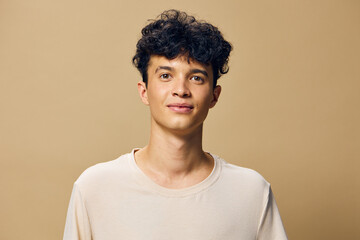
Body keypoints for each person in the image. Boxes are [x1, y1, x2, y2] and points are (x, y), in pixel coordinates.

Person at [63, 9, 288, 240]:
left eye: (196, 78)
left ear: (214, 96)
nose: (181, 90)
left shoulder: (251, 191)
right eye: (165, 76)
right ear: (144, 92)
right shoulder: (94, 188)